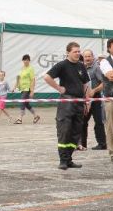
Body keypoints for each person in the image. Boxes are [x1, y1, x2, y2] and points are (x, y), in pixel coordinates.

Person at [43, 42, 91, 170]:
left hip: (79, 102)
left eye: (78, 51)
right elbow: (47, 77)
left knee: (75, 132)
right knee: (65, 130)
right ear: (68, 52)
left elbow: (85, 83)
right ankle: (63, 160)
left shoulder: (81, 66)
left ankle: (69, 158)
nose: (78, 53)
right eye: (75, 51)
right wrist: (59, 88)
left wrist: (86, 99)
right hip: (67, 102)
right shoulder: (62, 65)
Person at [81, 49, 107, 150]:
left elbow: (104, 83)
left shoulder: (96, 68)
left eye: (89, 56)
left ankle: (102, 143)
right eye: (85, 56)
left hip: (95, 97)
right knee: (83, 121)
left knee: (98, 121)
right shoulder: (81, 68)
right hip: (86, 98)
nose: (87, 58)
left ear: (93, 57)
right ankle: (82, 144)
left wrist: (94, 90)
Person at [13, 54, 40, 124]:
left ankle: (20, 118)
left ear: (29, 61)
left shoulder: (31, 68)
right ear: (22, 61)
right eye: (24, 60)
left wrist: (32, 91)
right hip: (22, 88)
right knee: (26, 104)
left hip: (27, 88)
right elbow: (19, 78)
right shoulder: (22, 68)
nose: (26, 61)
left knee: (22, 101)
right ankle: (36, 116)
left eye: (27, 60)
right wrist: (15, 87)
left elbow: (33, 80)